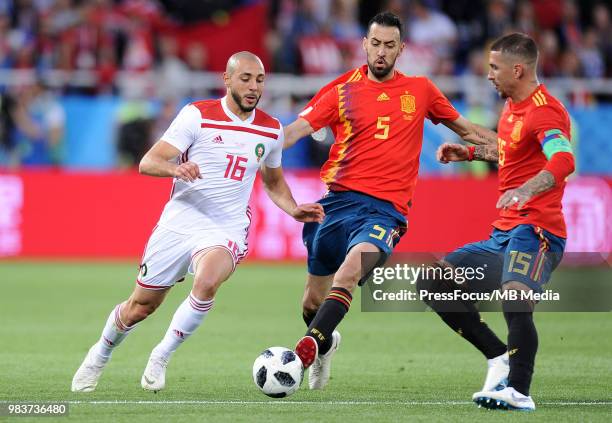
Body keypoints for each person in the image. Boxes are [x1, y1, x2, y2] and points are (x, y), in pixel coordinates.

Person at [71, 51, 324, 393]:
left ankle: (161, 355)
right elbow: (149, 161)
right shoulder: (197, 116)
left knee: (206, 282)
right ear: (227, 79)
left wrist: (293, 209)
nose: (253, 87)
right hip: (181, 220)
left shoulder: (271, 130)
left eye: (260, 80)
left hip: (227, 228)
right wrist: (176, 168)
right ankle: (99, 354)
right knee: (140, 307)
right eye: (245, 78)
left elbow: (273, 182)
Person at [282, 11, 498, 390]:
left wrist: (505, 146)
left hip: (384, 212)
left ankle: (300, 356)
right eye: (375, 43)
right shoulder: (340, 91)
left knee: (349, 272)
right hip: (335, 206)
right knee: (312, 305)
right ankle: (324, 343)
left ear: (402, 49)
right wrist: (256, 144)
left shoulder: (421, 90)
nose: (381, 52)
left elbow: (466, 130)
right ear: (364, 44)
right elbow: (295, 131)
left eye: (389, 45)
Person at [427, 33, 575, 411]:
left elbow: (562, 160)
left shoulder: (546, 111)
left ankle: (519, 392)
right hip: (504, 233)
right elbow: (509, 152)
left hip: (538, 230)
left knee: (514, 297)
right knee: (433, 280)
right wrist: (471, 152)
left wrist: (527, 190)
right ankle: (497, 355)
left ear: (518, 69)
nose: (488, 74)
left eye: (494, 68)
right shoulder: (511, 108)